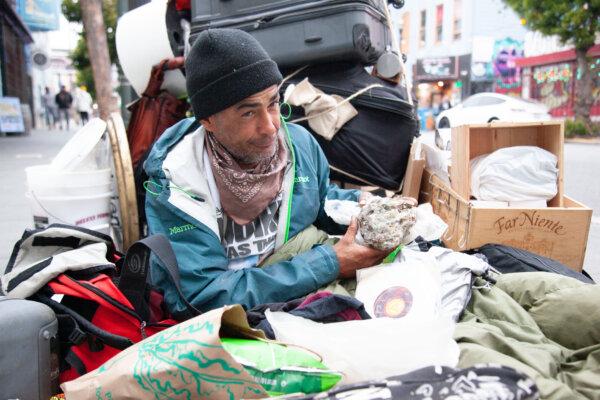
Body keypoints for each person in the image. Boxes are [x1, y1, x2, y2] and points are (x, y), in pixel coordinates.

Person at [144, 28, 388, 317]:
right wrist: (328, 263)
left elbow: (319, 201)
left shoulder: (298, 145)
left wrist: (371, 208)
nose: (271, 126)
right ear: (208, 120)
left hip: (299, 290)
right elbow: (202, 297)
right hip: (237, 322)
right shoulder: (176, 184)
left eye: (272, 103)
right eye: (248, 112)